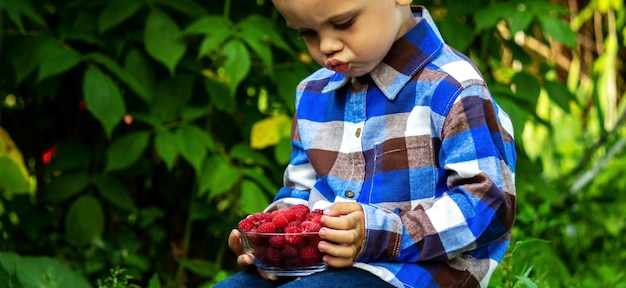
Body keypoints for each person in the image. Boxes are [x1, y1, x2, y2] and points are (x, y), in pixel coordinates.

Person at [215, 0, 516, 287]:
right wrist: (275, 244)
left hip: (417, 273)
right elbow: (300, 193)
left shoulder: (453, 87)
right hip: (322, 268)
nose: (326, 46)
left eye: (343, 22)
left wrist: (380, 235)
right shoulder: (312, 94)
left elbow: (489, 204)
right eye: (307, 32)